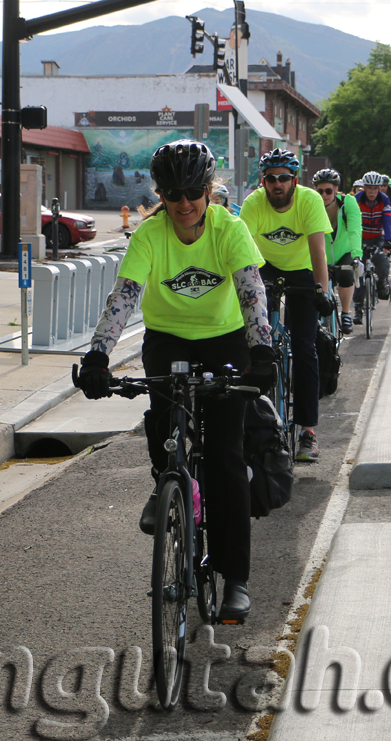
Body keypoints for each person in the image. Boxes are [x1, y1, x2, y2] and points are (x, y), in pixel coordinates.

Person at [75, 139, 270, 621]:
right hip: (169, 338)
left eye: (193, 194)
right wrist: (99, 355)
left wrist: (262, 349)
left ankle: (236, 579)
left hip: (226, 338)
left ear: (209, 191)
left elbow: (251, 292)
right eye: (173, 195)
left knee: (225, 457)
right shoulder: (149, 234)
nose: (184, 205)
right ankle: (166, 481)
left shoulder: (230, 229)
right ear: (160, 195)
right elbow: (125, 297)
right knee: (163, 421)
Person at [241, 149, 334, 463]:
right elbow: (243, 252)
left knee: (304, 346)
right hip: (263, 268)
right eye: (270, 178)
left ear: (295, 180)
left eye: (283, 178)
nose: (277, 184)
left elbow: (318, 251)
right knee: (251, 342)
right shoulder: (254, 204)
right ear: (263, 182)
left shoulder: (309, 201)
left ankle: (307, 432)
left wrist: (322, 290)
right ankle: (250, 420)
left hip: (302, 270)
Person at [314, 169, 362, 335]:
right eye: (320, 191)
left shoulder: (348, 203)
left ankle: (346, 312)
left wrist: (357, 256)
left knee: (346, 275)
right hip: (321, 254)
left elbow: (355, 230)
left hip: (344, 251)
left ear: (336, 189)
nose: (324, 195)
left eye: (328, 190)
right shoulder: (312, 205)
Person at [354, 171, 391, 320]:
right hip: (360, 238)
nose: (372, 192)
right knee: (359, 271)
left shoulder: (384, 200)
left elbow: (387, 220)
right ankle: (358, 308)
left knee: (382, 259)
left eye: (375, 188)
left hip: (377, 236)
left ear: (379, 189)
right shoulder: (356, 200)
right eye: (369, 188)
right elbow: (349, 221)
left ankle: (382, 282)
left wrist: (389, 240)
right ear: (364, 187)